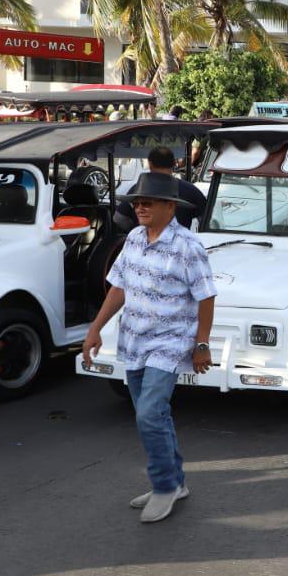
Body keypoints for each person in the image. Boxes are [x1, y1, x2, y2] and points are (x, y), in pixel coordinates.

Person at [81, 173, 215, 523]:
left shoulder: (188, 246)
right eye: (136, 202)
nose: (139, 207)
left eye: (147, 202)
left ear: (169, 207)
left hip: (170, 343)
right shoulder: (134, 239)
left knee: (148, 414)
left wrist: (202, 344)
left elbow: (206, 296)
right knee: (154, 415)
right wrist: (95, 329)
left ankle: (164, 486)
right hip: (135, 339)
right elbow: (118, 288)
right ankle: (175, 482)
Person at [114, 146, 208, 230]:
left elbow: (119, 219)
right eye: (137, 204)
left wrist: (137, 230)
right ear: (174, 163)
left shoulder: (138, 189)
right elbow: (207, 220)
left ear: (150, 164)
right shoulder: (191, 190)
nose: (140, 208)